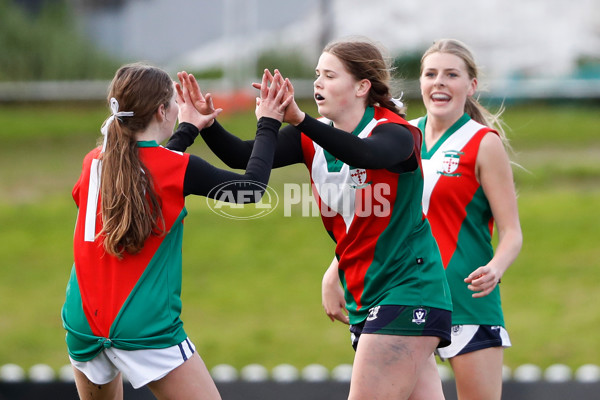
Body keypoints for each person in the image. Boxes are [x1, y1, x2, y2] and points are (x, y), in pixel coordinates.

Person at [175, 38, 453, 400]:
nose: (317, 83)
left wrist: (301, 120)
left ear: (362, 87)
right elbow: (242, 156)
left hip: (409, 288)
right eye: (317, 74)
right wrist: (207, 124)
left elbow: (365, 154)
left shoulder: (396, 132)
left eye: (329, 75)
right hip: (368, 292)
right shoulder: (312, 138)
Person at [61, 62, 289, 400]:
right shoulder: (176, 168)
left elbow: (147, 168)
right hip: (143, 327)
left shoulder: (94, 160)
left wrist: (189, 130)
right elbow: (252, 188)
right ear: (162, 110)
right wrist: (269, 122)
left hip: (82, 320)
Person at [410, 39, 523, 400]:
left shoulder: (484, 143)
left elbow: (511, 232)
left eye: (451, 74)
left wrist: (496, 267)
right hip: (407, 297)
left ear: (470, 85)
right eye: (431, 74)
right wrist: (336, 269)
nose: (439, 82)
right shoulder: (402, 135)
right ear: (421, 82)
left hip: (468, 298)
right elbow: (375, 223)